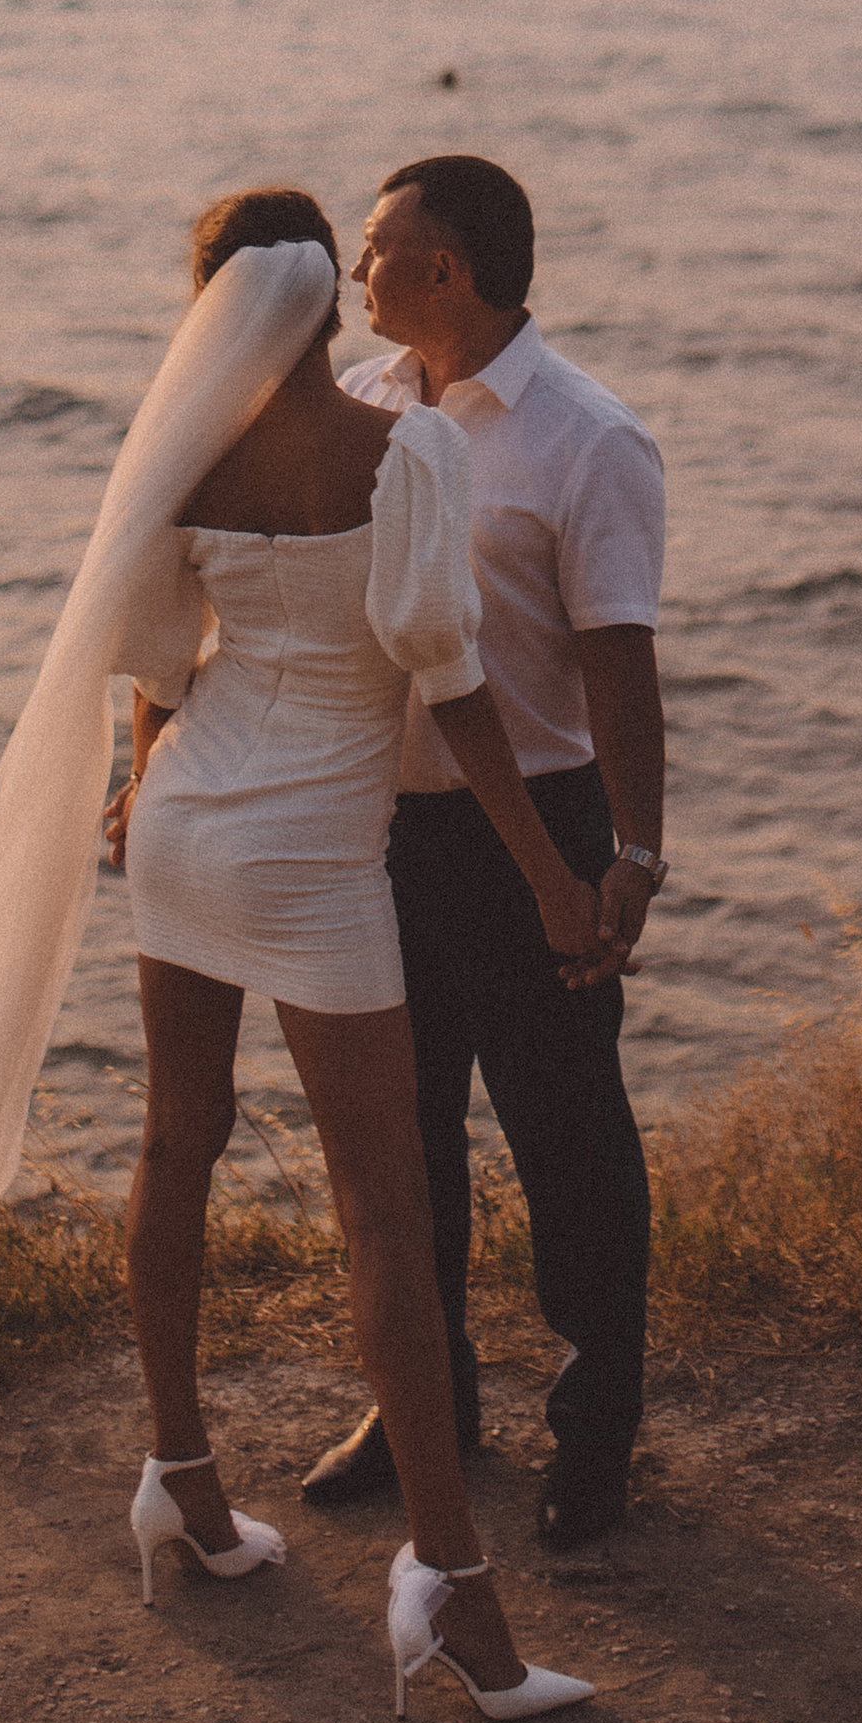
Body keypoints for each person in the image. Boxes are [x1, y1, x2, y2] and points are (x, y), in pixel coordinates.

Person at [0, 190, 597, 1723]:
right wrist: (546, 874)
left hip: (184, 828)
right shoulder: (410, 454)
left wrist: (139, 775)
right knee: (384, 1212)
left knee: (175, 1143)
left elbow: (153, 653)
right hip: (318, 854)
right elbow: (448, 685)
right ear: (328, 298)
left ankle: (182, 1481)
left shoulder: (180, 458)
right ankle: (451, 1589)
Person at [303, 154, 666, 1552]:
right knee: (405, 1142)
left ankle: (596, 1431)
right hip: (375, 831)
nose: (358, 270)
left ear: (444, 271)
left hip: (538, 835)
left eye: (378, 247)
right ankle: (423, 1411)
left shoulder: (587, 440)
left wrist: (631, 857)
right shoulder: (365, 410)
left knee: (566, 1135)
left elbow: (620, 666)